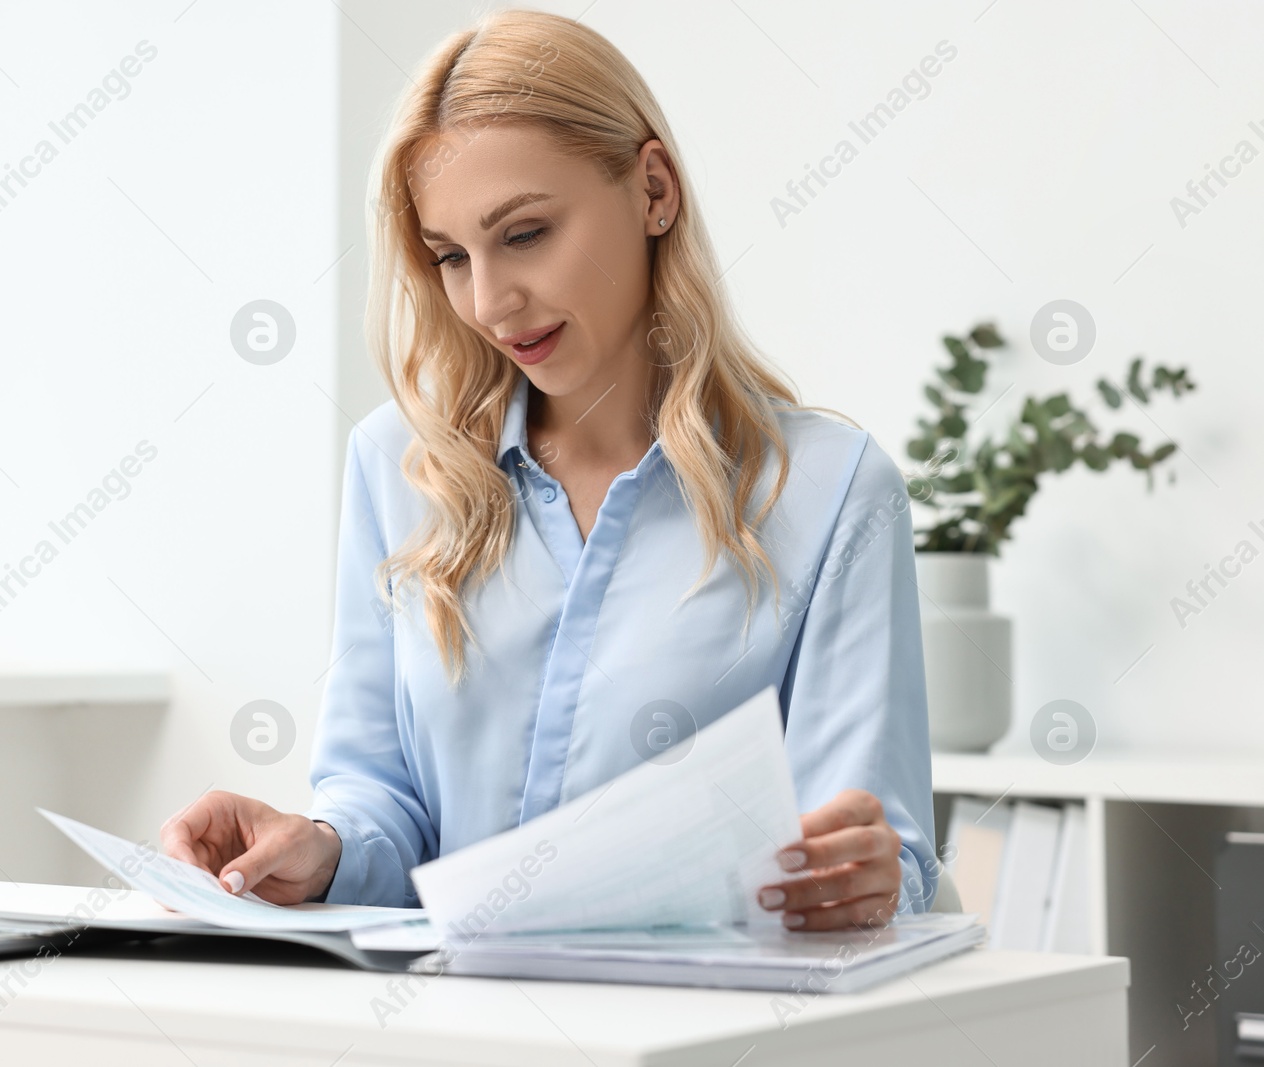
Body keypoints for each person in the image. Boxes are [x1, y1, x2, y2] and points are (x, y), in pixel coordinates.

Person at [163, 8, 937, 932]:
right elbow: (381, 801)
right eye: (451, 256)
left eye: (524, 234)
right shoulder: (396, 468)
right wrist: (320, 848)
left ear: (654, 189)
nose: (490, 303)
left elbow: (871, 842)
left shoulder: (831, 491)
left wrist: (872, 871)